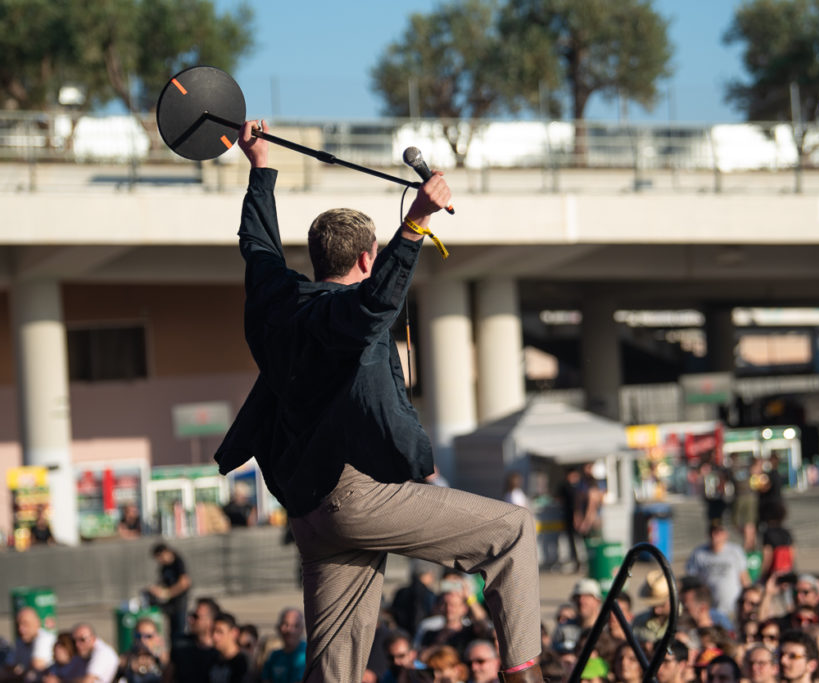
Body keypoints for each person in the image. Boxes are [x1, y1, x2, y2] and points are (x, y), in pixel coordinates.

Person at [214, 121, 541, 683]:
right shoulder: (338, 316)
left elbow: (258, 245)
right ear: (366, 259)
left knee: (334, 671)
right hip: (355, 500)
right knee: (513, 532)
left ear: (318, 257)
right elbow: (373, 306)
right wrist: (414, 225)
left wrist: (261, 167)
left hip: (312, 517)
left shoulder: (276, 301)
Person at [686, 520, 750, 616]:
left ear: (726, 534)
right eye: (712, 531)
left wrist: (747, 600)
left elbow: (744, 578)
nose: (714, 535)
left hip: (733, 608)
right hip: (709, 609)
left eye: (718, 532)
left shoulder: (735, 551)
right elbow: (692, 581)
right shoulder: (699, 553)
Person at [146, 543, 191, 646]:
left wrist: (167, 593)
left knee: (180, 631)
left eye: (159, 557)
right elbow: (163, 583)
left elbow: (184, 583)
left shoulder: (178, 562)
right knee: (171, 634)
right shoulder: (164, 567)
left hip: (179, 602)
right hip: (170, 604)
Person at [3, 606, 55, 681]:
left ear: (37, 623)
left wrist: (19, 670)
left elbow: (37, 666)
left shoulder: (44, 638)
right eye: (18, 624)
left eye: (25, 624)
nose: (20, 629)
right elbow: (8, 666)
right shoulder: (20, 641)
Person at [261, 608, 306, 683]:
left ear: (302, 629)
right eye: (286, 624)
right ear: (278, 628)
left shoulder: (309, 654)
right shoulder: (274, 656)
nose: (290, 630)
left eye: (295, 626)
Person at [207, 612, 249, 683]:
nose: (214, 636)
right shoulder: (211, 659)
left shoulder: (244, 663)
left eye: (219, 632)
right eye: (213, 631)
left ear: (234, 633)